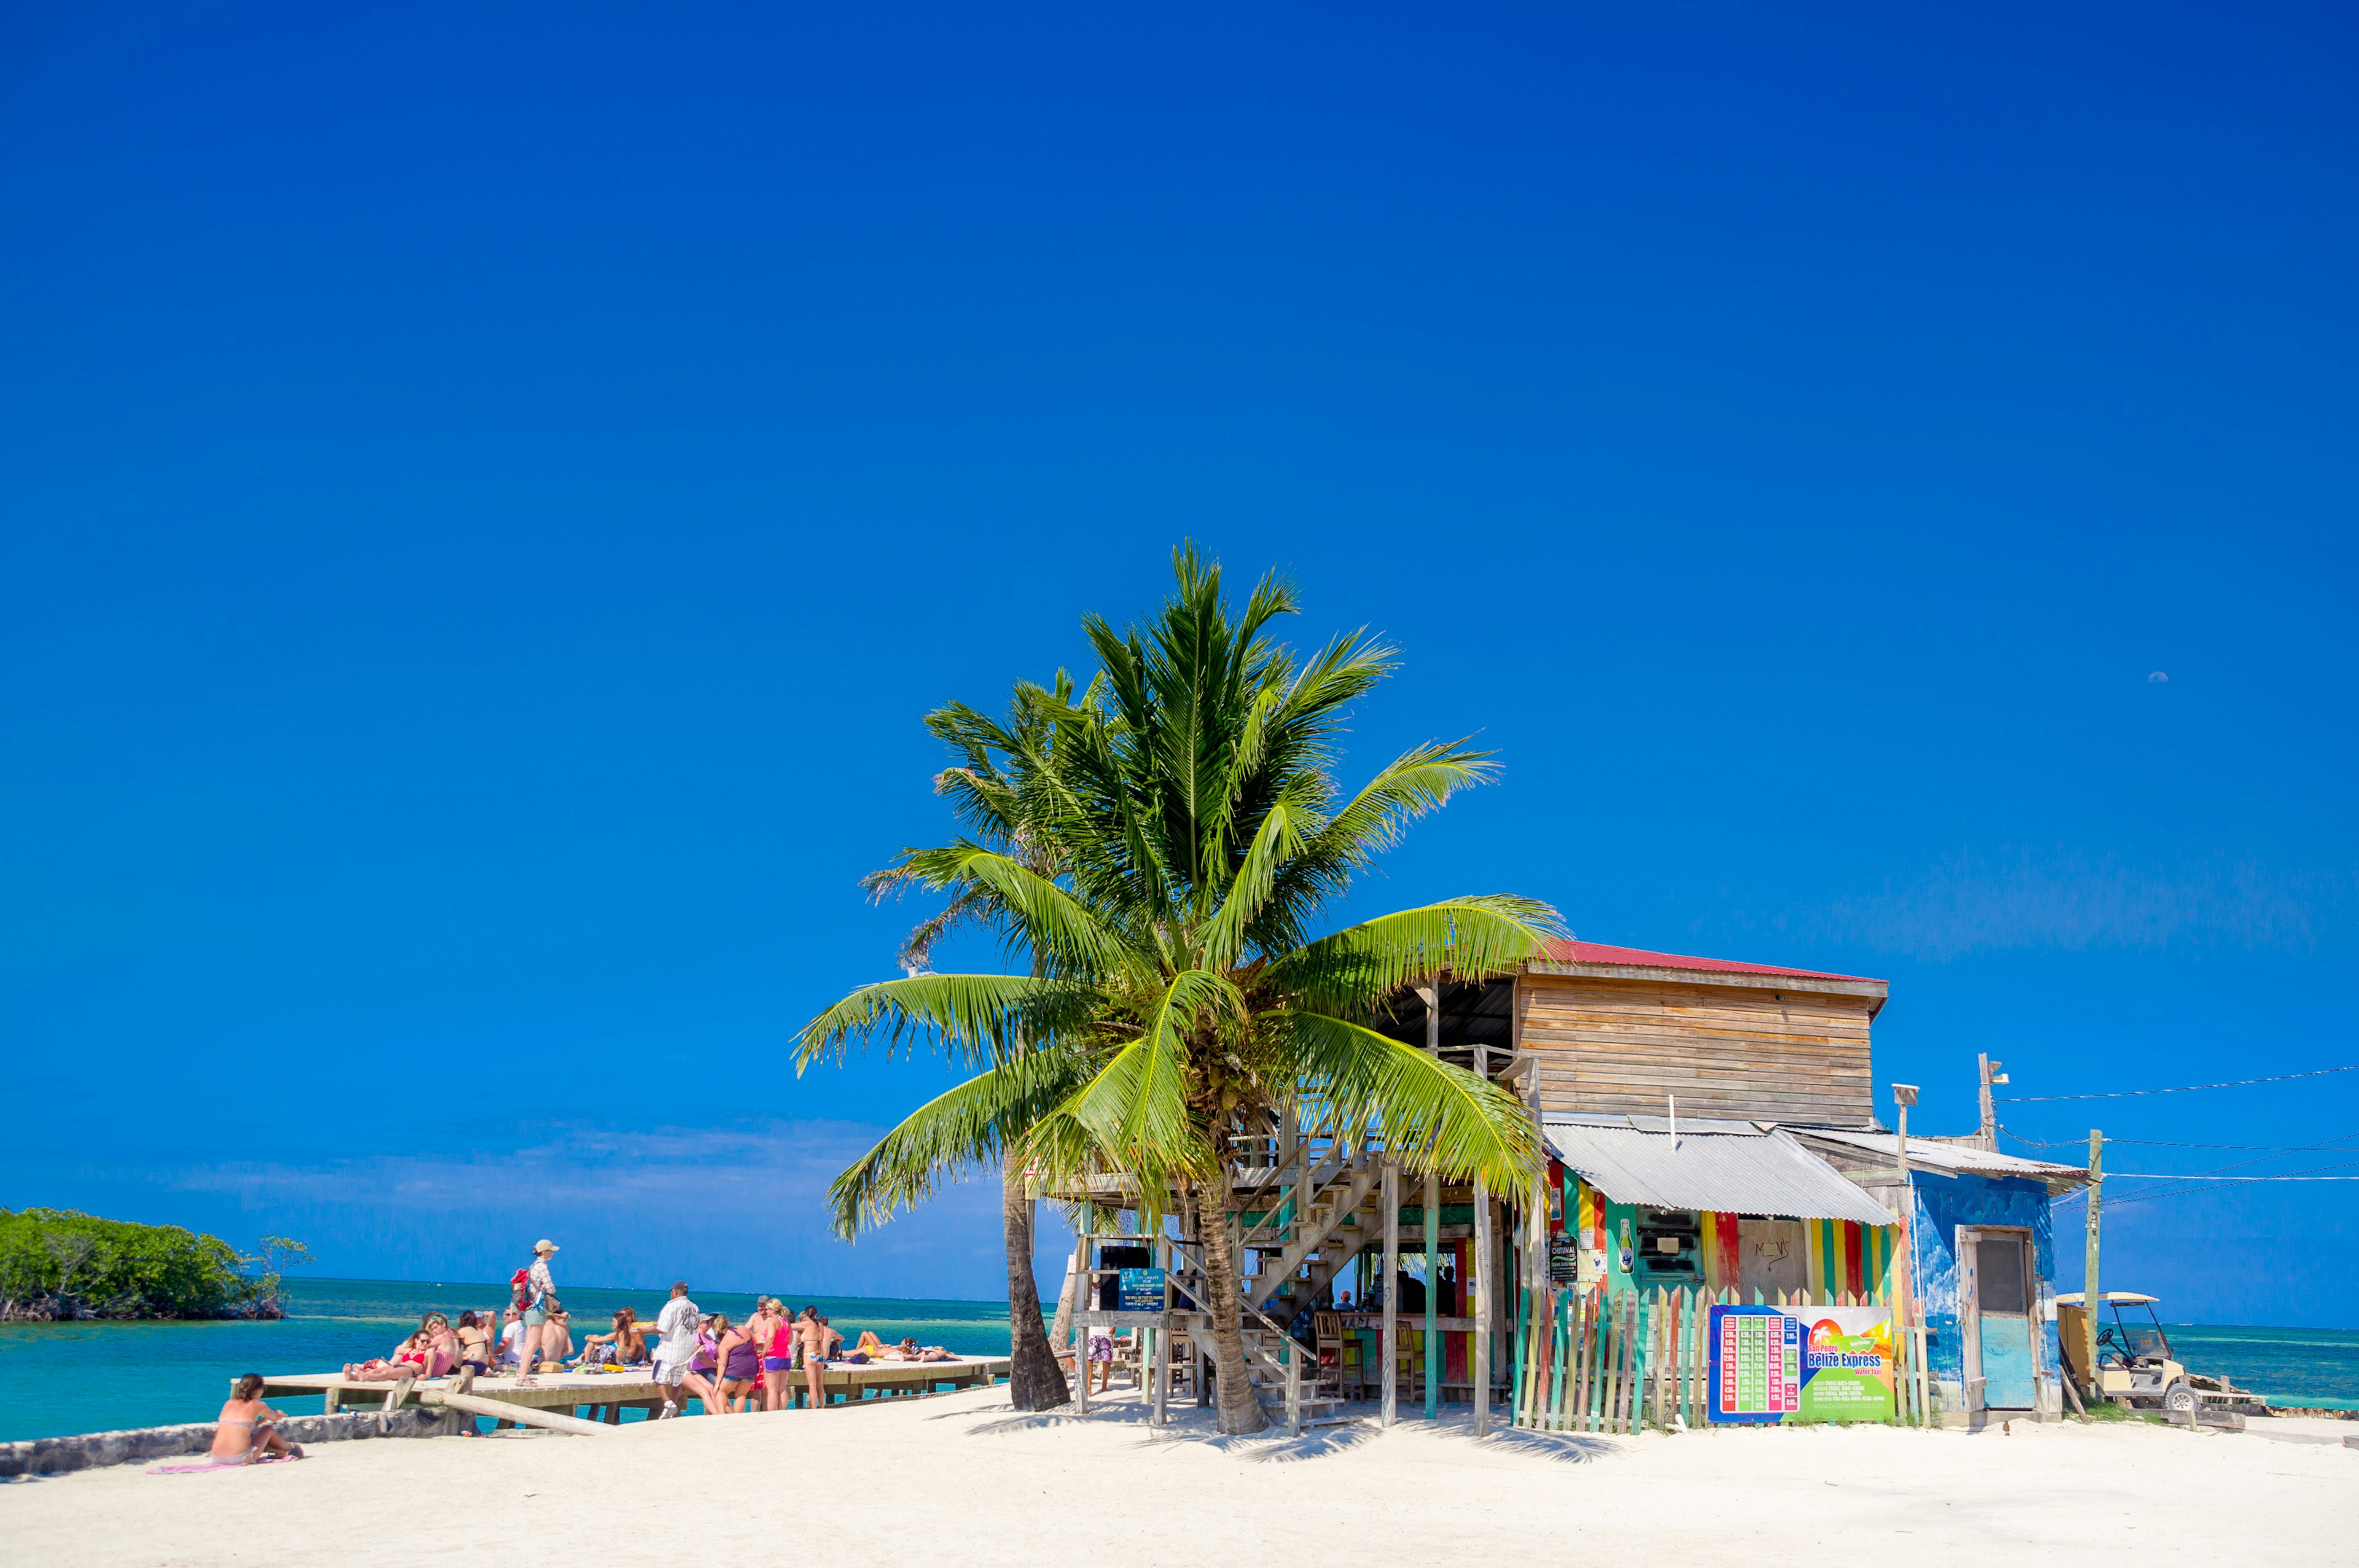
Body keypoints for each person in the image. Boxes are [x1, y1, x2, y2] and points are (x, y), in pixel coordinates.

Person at [649, 1281, 713, 1418]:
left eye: (672, 1291)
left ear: (676, 1292)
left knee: (658, 1377)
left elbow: (662, 1328)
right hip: (686, 1350)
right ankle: (672, 1407)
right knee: (676, 1380)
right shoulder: (694, 1307)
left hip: (669, 1349)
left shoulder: (671, 1306)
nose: (671, 1294)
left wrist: (643, 1331)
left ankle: (668, 1404)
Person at [213, 1374, 302, 1464]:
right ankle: (290, 1448)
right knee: (268, 1430)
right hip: (238, 1459)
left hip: (217, 1457)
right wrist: (280, 1414)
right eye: (263, 1388)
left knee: (250, 1436)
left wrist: (263, 1420)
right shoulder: (258, 1405)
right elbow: (275, 1418)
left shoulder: (229, 1403)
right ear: (257, 1389)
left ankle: (277, 1450)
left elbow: (240, 1426)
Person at [515, 1239, 559, 1386]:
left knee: (530, 1343)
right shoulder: (542, 1267)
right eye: (551, 1250)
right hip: (537, 1308)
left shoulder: (533, 1266)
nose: (553, 1253)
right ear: (545, 1252)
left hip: (530, 1308)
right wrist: (547, 1288)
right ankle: (522, 1377)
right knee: (533, 1344)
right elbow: (552, 1289)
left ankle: (522, 1374)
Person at [711, 1314, 759, 1413]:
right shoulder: (743, 1328)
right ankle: (738, 1416)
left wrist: (717, 1383)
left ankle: (721, 1415)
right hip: (752, 1367)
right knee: (741, 1394)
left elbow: (722, 1365)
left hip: (735, 1370)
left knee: (721, 1391)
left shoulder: (724, 1344)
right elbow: (754, 1341)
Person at [579, 1308, 646, 1368]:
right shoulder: (625, 1331)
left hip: (623, 1360)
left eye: (622, 1316)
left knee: (592, 1342)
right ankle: (582, 1360)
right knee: (595, 1339)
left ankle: (585, 1362)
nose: (620, 1318)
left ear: (629, 1317)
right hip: (622, 1358)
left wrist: (588, 1337)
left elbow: (641, 1344)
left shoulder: (628, 1331)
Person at [796, 1306, 831, 1410]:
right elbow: (821, 1340)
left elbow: (790, 1326)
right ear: (816, 1315)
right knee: (820, 1385)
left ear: (807, 1314)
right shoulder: (820, 1325)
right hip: (819, 1355)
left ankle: (814, 1408)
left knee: (812, 1385)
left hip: (809, 1354)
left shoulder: (806, 1324)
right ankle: (823, 1406)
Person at [454, 1311, 494, 1375]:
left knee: (454, 1365)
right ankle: (484, 1370)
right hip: (485, 1362)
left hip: (475, 1362)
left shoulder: (463, 1330)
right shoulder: (480, 1330)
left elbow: (456, 1348)